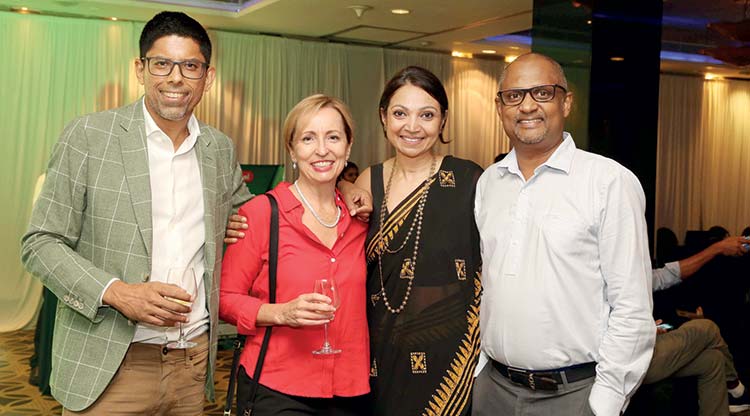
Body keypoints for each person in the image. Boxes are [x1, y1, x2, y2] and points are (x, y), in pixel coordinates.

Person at [20, 11, 253, 415]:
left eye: (190, 66)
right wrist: (117, 293)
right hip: (110, 363)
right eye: (162, 64)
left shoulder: (219, 148)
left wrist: (349, 191)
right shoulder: (89, 136)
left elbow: (253, 215)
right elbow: (40, 243)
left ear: (208, 77)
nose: (175, 78)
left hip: (192, 364)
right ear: (140, 70)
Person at [473, 53, 655, 416]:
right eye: (514, 95)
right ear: (500, 107)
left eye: (542, 93)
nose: (527, 106)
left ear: (566, 102)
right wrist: (480, 373)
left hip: (574, 395)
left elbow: (632, 307)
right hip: (493, 391)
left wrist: (604, 403)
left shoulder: (608, 181)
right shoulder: (489, 183)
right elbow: (487, 287)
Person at [219, 94, 370, 415]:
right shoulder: (262, 213)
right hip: (279, 387)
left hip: (351, 387)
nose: (322, 149)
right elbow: (223, 298)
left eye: (333, 137)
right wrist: (281, 313)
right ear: (292, 150)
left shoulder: (362, 220)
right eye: (308, 138)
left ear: (348, 147)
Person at [354, 66, 483, 416]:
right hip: (381, 350)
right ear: (384, 117)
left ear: (443, 121)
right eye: (400, 114)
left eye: (426, 115)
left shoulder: (468, 178)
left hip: (452, 354)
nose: (412, 127)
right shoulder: (367, 182)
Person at [647, 236, 750, 415]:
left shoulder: (629, 274)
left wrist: (717, 248)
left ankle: (732, 394)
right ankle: (736, 388)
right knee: (707, 327)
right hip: (629, 356)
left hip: (645, 343)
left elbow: (664, 276)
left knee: (713, 360)